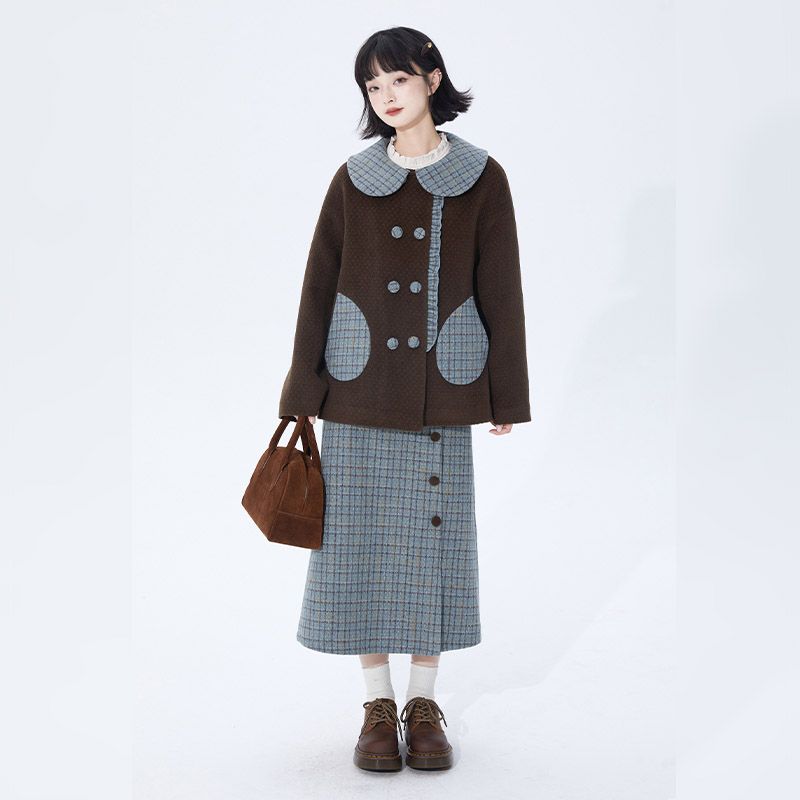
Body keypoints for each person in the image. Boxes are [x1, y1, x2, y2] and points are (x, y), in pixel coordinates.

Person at [278, 26, 531, 772]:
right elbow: (318, 285)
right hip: (356, 385)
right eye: (372, 86)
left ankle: (423, 703)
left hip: (442, 386)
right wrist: (302, 387)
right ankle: (376, 705)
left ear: (432, 78)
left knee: (430, 544)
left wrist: (506, 392)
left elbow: (502, 287)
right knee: (358, 542)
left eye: (397, 79)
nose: (386, 96)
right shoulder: (353, 178)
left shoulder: (481, 176)